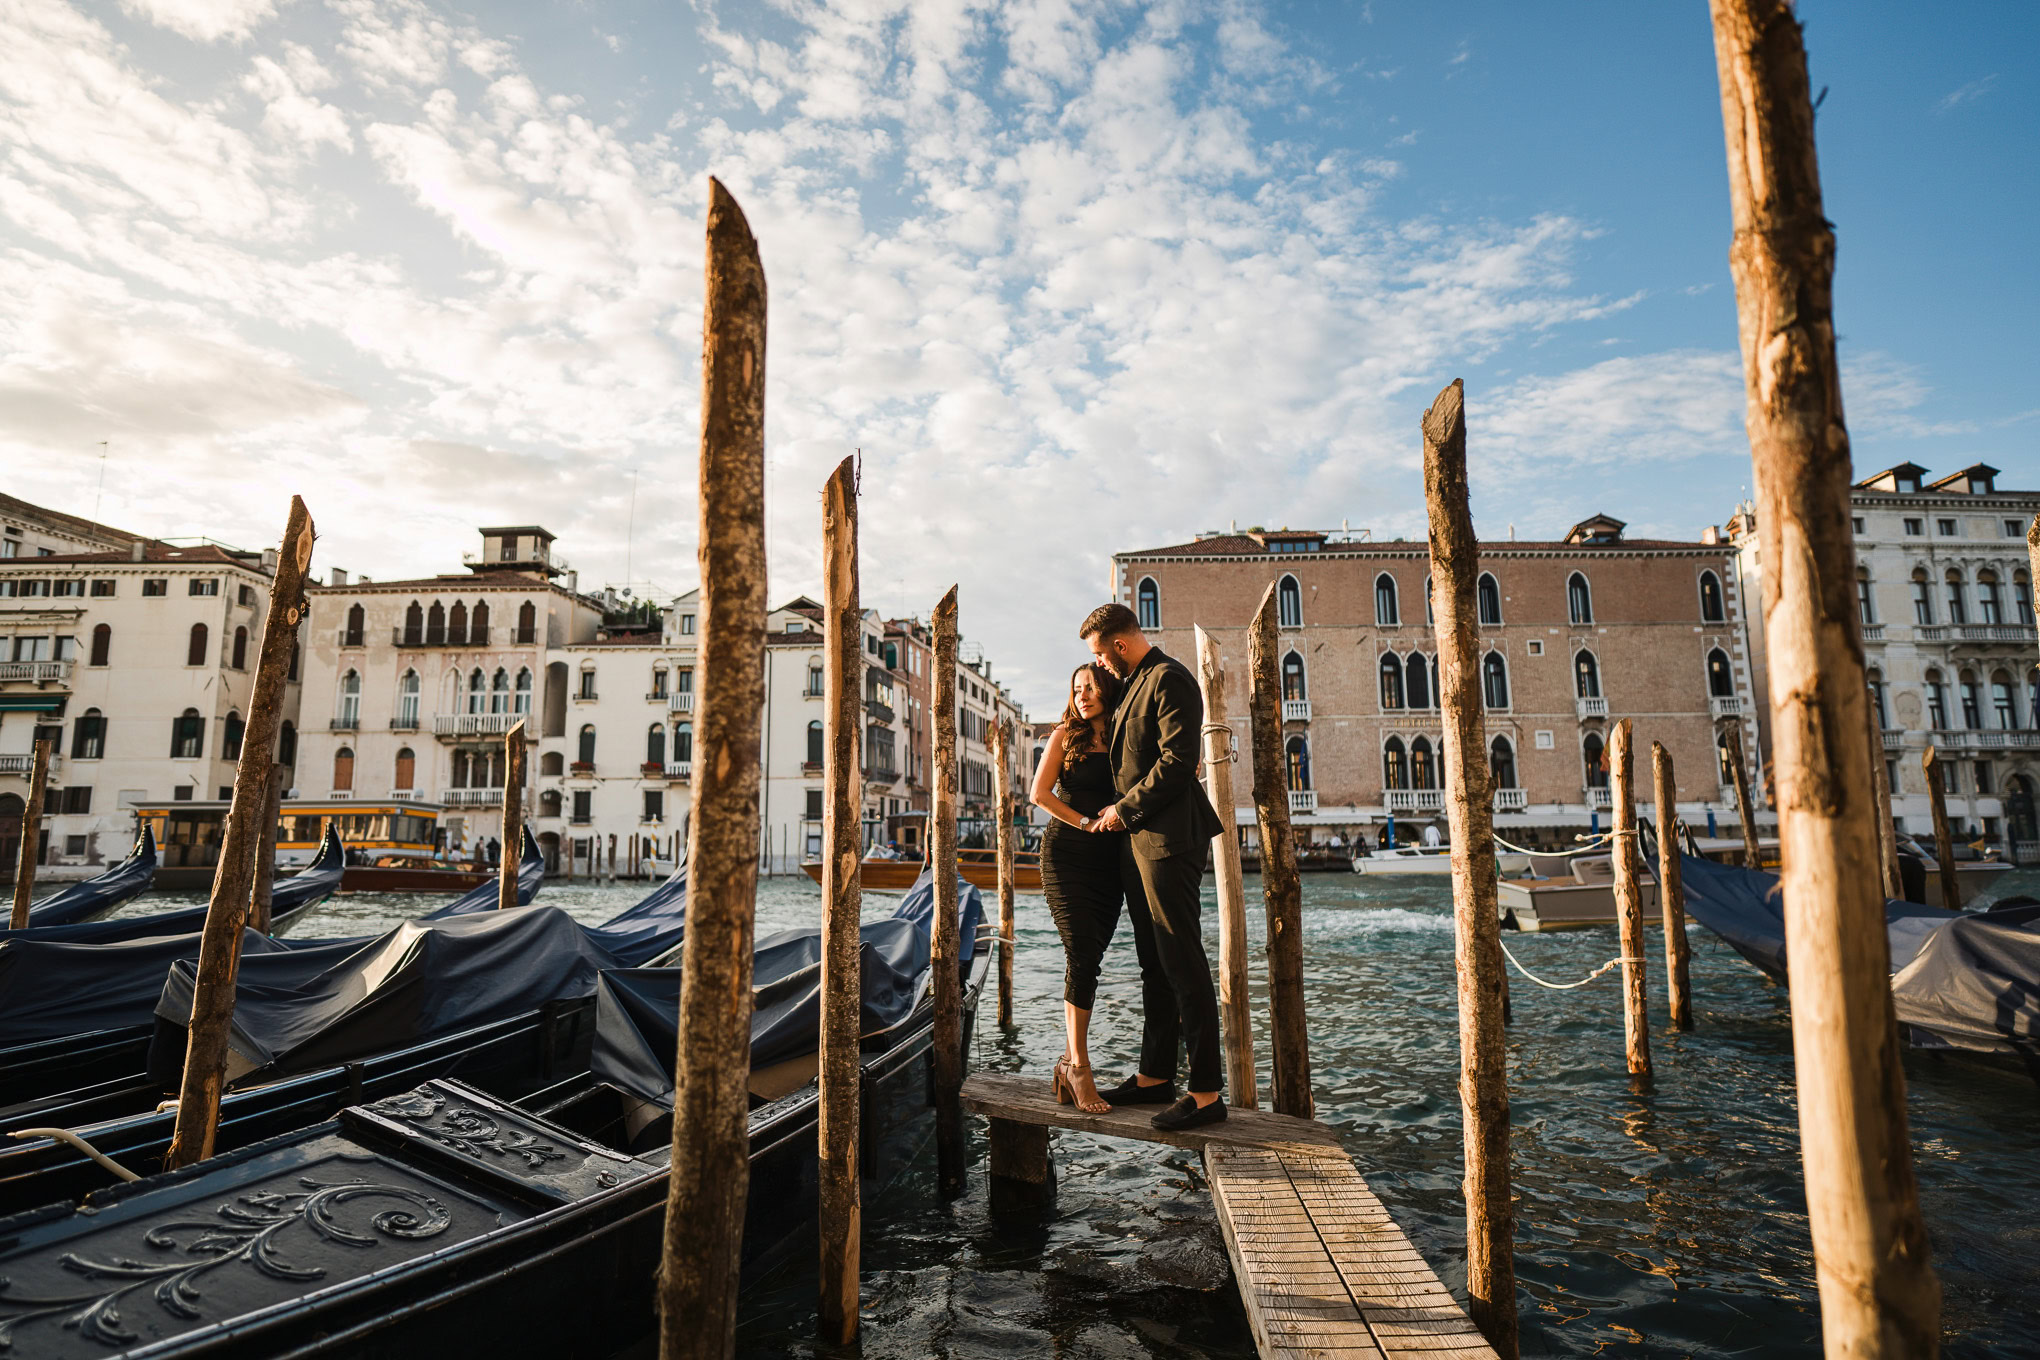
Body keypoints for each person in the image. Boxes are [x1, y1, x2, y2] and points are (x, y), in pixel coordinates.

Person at [1082, 602, 1228, 1132]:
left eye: (1100, 654)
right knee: (1154, 964)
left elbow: (1178, 760)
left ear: (1120, 644)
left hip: (1168, 838)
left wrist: (1123, 809)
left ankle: (1207, 1093)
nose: (1099, 665)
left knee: (1182, 960)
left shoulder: (1170, 679)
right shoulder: (1131, 682)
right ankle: (1155, 1077)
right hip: (1138, 842)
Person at [1030, 661, 1127, 1114]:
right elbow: (1039, 794)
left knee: (1094, 957)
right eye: (1075, 689)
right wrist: (1087, 822)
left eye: (1089, 687)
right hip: (1067, 854)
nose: (1082, 695)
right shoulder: (1064, 736)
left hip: (1111, 861)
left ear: (1107, 687)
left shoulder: (1127, 735)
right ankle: (1080, 1068)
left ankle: (1066, 1063)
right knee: (1082, 954)